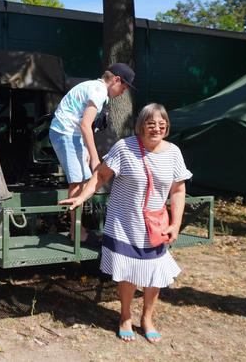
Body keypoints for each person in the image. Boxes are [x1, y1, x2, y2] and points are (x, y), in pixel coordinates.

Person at [60, 103, 191, 343]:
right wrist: (82, 196)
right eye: (151, 124)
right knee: (128, 273)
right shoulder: (124, 147)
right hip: (124, 222)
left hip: (154, 226)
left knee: (155, 275)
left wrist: (176, 222)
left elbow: (178, 190)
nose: (156, 129)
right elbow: (100, 175)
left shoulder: (173, 153)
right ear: (141, 126)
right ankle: (125, 316)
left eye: (162, 124)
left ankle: (148, 318)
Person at [49, 63, 135, 244]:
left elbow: (81, 121)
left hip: (70, 134)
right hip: (66, 133)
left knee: (84, 180)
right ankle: (76, 231)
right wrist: (95, 158)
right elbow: (85, 125)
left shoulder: (93, 87)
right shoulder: (99, 91)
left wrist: (86, 149)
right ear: (116, 80)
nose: (122, 93)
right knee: (77, 182)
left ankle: (79, 228)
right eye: (124, 88)